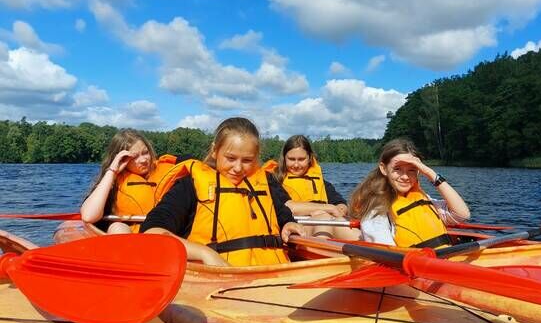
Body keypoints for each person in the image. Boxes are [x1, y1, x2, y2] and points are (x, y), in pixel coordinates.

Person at [141, 117, 305, 267]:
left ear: (256, 156)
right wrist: (205, 253)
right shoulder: (189, 186)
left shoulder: (267, 183)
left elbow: (283, 216)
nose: (238, 168)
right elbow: (151, 232)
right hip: (217, 278)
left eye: (247, 160)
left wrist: (288, 224)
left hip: (273, 274)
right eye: (231, 158)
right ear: (215, 151)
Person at [350, 138, 470, 247]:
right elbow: (386, 252)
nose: (405, 177)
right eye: (397, 169)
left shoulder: (422, 198)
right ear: (384, 168)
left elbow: (462, 214)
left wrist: (431, 174)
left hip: (443, 257)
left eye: (412, 170)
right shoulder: (376, 209)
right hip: (414, 262)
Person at [80, 129, 178, 234]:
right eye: (134, 156)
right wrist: (112, 171)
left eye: (145, 153)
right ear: (122, 159)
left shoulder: (169, 172)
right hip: (130, 234)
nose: (143, 160)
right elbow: (88, 216)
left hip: (163, 231)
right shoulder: (112, 181)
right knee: (117, 228)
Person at [273, 134, 359, 240]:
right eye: (291, 159)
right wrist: (328, 208)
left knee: (338, 221)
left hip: (326, 221)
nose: (296, 165)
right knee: (324, 220)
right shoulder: (275, 181)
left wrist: (340, 209)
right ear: (284, 158)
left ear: (309, 158)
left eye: (301, 159)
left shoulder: (320, 182)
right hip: (298, 225)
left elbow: (340, 203)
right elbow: (289, 207)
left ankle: (370, 246)